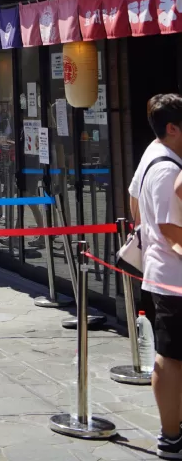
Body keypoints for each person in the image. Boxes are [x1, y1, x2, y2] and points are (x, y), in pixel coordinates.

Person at [129, 93, 182, 459]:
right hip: (172, 277)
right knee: (170, 355)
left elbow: (133, 198)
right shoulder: (166, 168)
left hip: (162, 271)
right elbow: (170, 228)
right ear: (173, 128)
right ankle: (171, 436)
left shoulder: (153, 152)